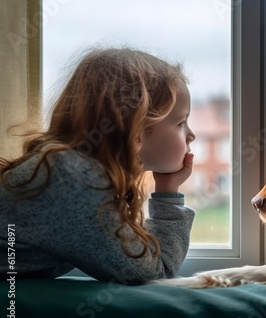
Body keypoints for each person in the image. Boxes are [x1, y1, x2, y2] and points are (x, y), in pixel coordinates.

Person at [0, 48, 196, 285]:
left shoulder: (66, 169)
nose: (191, 135)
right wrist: (168, 193)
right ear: (134, 126)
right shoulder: (72, 181)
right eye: (181, 122)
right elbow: (155, 272)